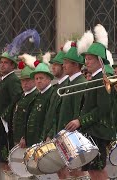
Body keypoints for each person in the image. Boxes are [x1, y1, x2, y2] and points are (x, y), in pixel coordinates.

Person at [66, 24, 114, 179]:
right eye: (86, 58)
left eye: (90, 59)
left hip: (99, 130)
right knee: (92, 171)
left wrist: (80, 121)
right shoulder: (94, 78)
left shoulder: (102, 79)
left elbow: (103, 109)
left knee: (97, 170)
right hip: (92, 130)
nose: (86, 62)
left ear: (100, 61)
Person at [57, 41, 88, 179]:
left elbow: (78, 110)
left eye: (66, 62)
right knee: (69, 171)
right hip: (66, 133)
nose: (63, 65)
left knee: (77, 171)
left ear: (76, 65)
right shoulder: (70, 83)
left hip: (74, 135)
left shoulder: (80, 83)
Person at [0, 51, 22, 177]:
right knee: (1, 161)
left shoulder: (12, 80)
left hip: (6, 127)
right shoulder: (3, 80)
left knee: (7, 161)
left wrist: (3, 116)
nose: (2, 65)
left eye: (6, 63)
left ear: (13, 66)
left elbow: (17, 99)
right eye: (1, 63)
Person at [42, 47, 68, 142]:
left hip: (57, 136)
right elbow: (50, 114)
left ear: (64, 66)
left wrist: (51, 134)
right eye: (53, 64)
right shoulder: (56, 87)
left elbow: (60, 114)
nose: (52, 67)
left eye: (56, 65)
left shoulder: (65, 86)